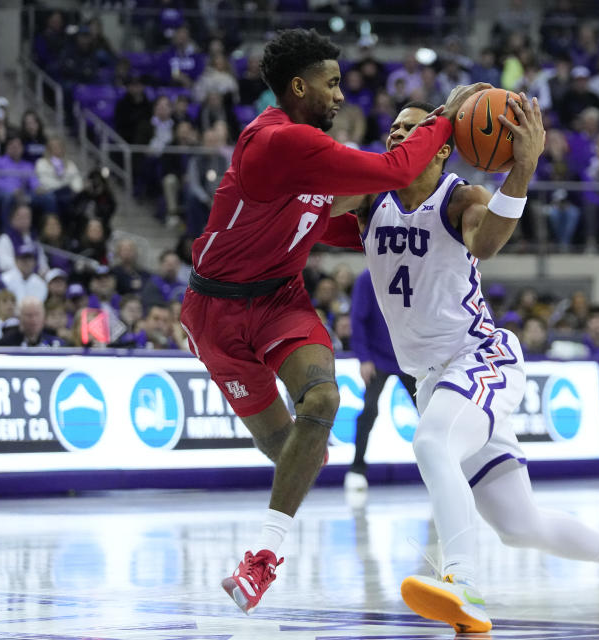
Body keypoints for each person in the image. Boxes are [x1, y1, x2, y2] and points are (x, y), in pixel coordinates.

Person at [345, 98, 599, 634]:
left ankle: (461, 581)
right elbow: (313, 203)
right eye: (392, 128)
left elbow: (486, 243)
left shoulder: (460, 197)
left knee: (430, 444)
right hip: (433, 380)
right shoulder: (371, 198)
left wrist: (525, 167)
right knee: (519, 524)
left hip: (480, 357)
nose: (396, 135)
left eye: (411, 129)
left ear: (441, 146)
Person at [176, 28, 485, 615]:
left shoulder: (306, 154)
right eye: (332, 83)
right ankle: (296, 478)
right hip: (215, 313)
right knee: (300, 454)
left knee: (321, 400)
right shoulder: (279, 142)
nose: (342, 95)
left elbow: (353, 223)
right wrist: (442, 120)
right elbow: (394, 169)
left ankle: (262, 557)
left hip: (279, 300)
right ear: (299, 87)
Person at [345, 268, 416, 491]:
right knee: (368, 411)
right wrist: (364, 358)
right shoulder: (368, 277)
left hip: (411, 357)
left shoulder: (415, 271)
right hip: (377, 358)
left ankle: (447, 467)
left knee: (431, 413)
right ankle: (357, 469)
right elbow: (357, 319)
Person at [0, 296, 65, 347]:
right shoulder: (6, 343)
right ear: (20, 317)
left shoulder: (55, 342)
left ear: (44, 317)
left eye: (37, 314)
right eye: (29, 315)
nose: (33, 319)